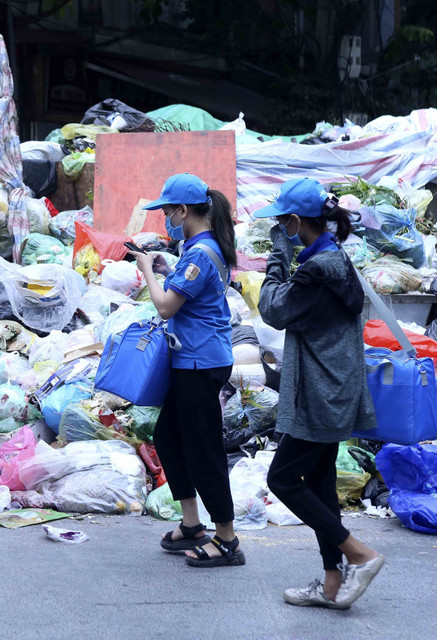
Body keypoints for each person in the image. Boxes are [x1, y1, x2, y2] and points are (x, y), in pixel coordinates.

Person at [256, 178, 385, 608]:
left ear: (295, 222)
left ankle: (360, 555)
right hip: (333, 385)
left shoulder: (316, 270)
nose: (279, 228)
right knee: (321, 484)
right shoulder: (332, 258)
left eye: (281, 222)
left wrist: (277, 252)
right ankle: (332, 583)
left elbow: (274, 308)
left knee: (283, 479)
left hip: (321, 392)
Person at [132, 173, 244, 568]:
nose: (164, 217)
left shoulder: (199, 253)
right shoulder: (199, 247)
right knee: (168, 436)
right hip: (192, 358)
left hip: (201, 361)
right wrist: (165, 269)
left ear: (183, 211)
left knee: (203, 449)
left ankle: (227, 538)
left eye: (166, 210)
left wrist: (146, 268)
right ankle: (193, 524)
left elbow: (165, 307)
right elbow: (186, 292)